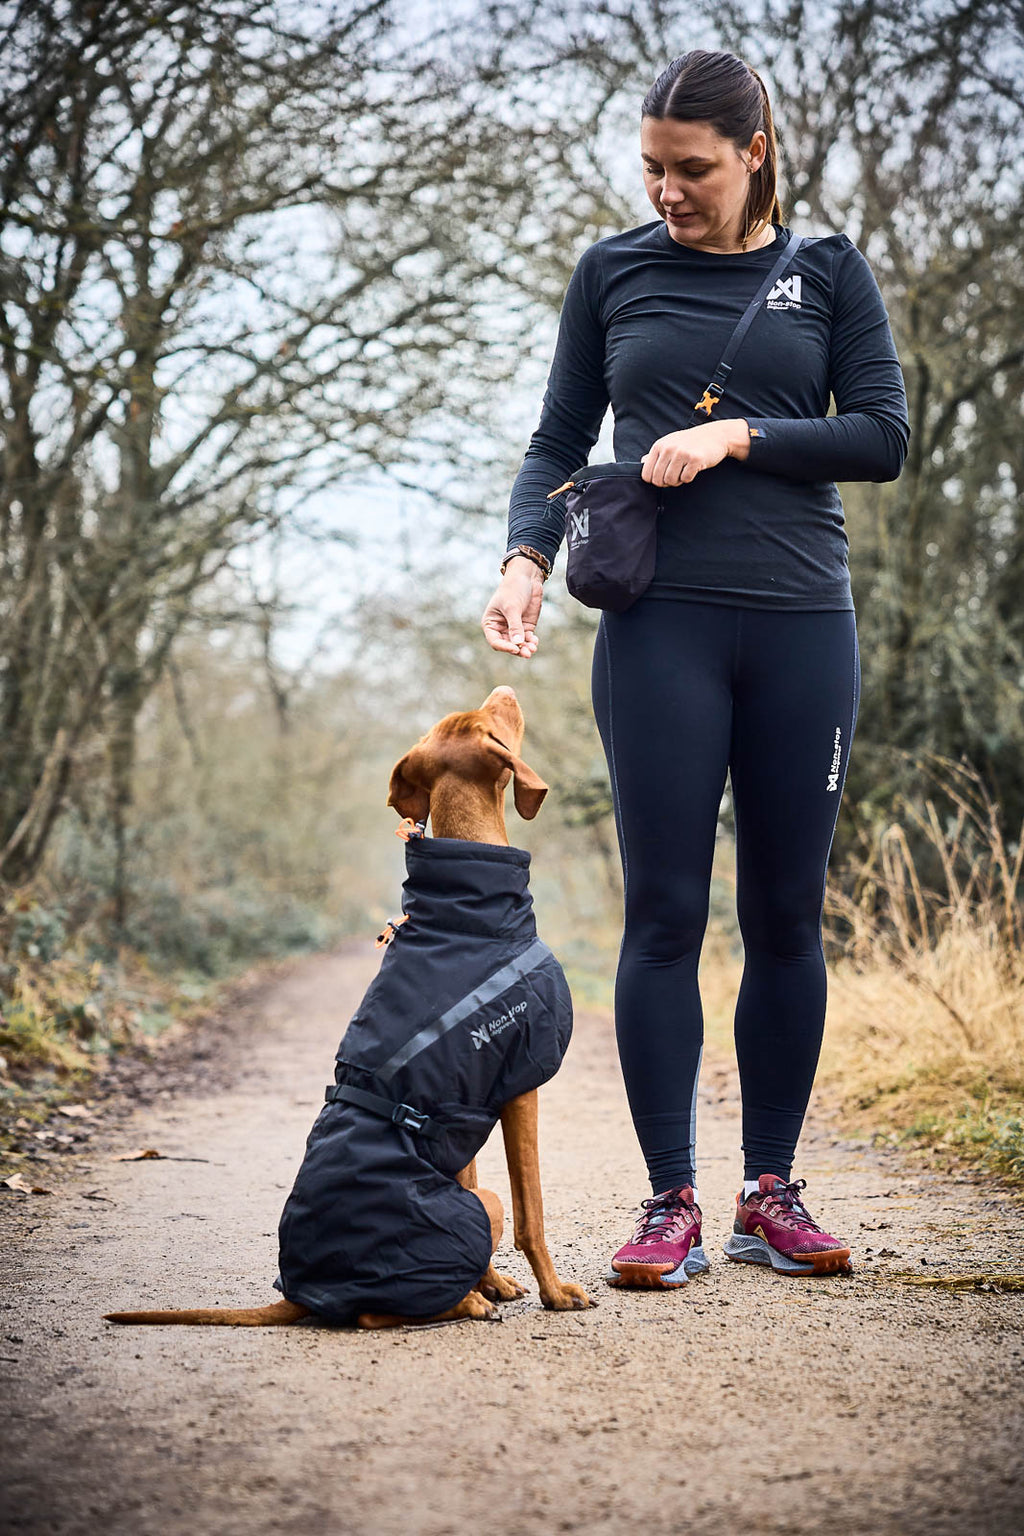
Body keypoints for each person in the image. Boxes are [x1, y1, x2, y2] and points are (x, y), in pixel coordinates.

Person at [481, 49, 908, 1286]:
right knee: (664, 916)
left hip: (799, 628)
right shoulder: (611, 271)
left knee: (785, 918)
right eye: (652, 168)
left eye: (693, 169)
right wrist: (524, 559)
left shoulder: (825, 272)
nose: (668, 190)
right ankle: (666, 1200)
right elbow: (559, 438)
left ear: (755, 151)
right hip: (658, 629)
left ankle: (768, 1191)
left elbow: (879, 435)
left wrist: (738, 433)